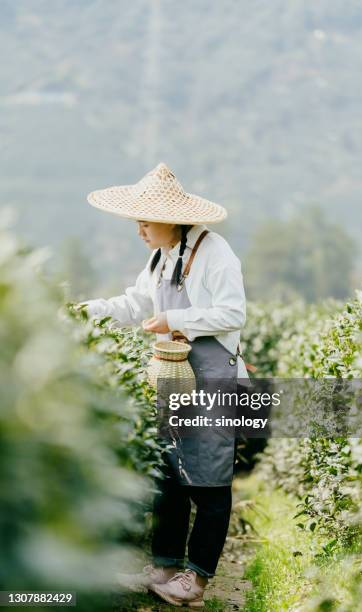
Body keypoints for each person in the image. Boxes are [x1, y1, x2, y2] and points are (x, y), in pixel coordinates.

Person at [80, 162, 249, 607]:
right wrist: (87, 311)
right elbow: (136, 301)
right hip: (174, 378)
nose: (140, 230)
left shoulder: (215, 253)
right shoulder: (160, 256)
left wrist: (174, 319)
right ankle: (166, 566)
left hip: (213, 377)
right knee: (170, 472)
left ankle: (195, 581)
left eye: (145, 221)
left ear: (171, 218)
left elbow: (233, 313)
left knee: (210, 480)